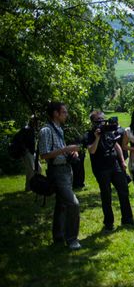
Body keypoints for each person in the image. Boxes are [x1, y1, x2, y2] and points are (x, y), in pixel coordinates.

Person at [38, 102, 81, 250]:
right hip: (57, 171)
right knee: (73, 204)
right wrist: (66, 149)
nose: (66, 115)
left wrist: (70, 152)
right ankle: (72, 239)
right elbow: (44, 155)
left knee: (62, 205)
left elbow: (59, 150)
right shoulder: (46, 130)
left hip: (66, 170)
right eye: (64, 112)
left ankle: (58, 236)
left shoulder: (58, 129)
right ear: (55, 113)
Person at [85, 111, 133, 231]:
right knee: (106, 196)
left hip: (115, 165)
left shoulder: (108, 131)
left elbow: (117, 146)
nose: (102, 121)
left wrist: (122, 161)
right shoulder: (89, 134)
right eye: (99, 120)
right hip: (101, 169)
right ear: (93, 122)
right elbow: (91, 151)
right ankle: (108, 223)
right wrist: (97, 138)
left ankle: (127, 219)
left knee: (123, 191)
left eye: (103, 119)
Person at [17, 115, 41, 191]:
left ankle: (35, 185)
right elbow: (18, 140)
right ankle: (29, 187)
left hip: (32, 152)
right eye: (36, 121)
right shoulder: (25, 129)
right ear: (32, 121)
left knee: (39, 169)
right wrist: (25, 150)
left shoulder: (32, 130)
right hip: (27, 152)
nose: (38, 123)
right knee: (30, 170)